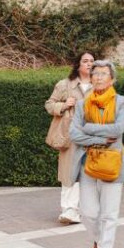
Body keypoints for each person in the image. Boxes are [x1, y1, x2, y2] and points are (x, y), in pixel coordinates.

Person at [68, 60, 124, 248]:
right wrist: (100, 139)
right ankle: (99, 240)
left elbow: (118, 129)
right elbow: (73, 134)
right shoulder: (81, 105)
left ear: (112, 79)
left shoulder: (123, 102)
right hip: (88, 161)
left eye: (103, 74)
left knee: (109, 213)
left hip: (113, 161)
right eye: (95, 73)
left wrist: (87, 128)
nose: (98, 77)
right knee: (88, 213)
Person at [44, 52, 94, 224]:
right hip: (70, 136)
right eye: (85, 61)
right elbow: (49, 105)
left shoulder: (100, 86)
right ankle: (68, 209)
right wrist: (64, 105)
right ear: (78, 64)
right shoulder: (65, 85)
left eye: (92, 61)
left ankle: (83, 208)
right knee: (69, 172)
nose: (89, 64)